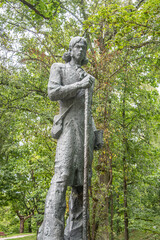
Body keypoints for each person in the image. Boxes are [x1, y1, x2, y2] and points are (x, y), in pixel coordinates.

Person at [37, 36, 101, 240]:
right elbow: (53, 92)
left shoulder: (87, 76)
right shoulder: (59, 68)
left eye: (84, 47)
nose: (81, 49)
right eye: (78, 46)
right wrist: (79, 85)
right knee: (62, 176)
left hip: (85, 134)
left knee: (83, 182)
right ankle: (52, 233)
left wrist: (95, 133)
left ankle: (76, 234)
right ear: (71, 49)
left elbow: (87, 109)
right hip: (68, 129)